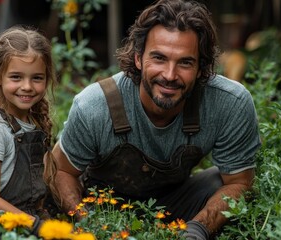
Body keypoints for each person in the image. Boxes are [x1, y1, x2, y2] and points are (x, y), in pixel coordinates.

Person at [45, 0, 261, 239]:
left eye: (185, 62)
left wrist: (198, 229)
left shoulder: (229, 102)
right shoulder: (95, 105)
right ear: (138, 58)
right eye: (159, 58)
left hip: (178, 206)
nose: (170, 75)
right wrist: (92, 226)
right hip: (103, 208)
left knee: (218, 181)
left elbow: (239, 182)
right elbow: (60, 172)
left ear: (202, 67)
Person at [0, 26, 56, 234]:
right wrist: (38, 227)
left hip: (26, 223)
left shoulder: (33, 122)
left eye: (37, 78)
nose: (27, 86)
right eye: (16, 77)